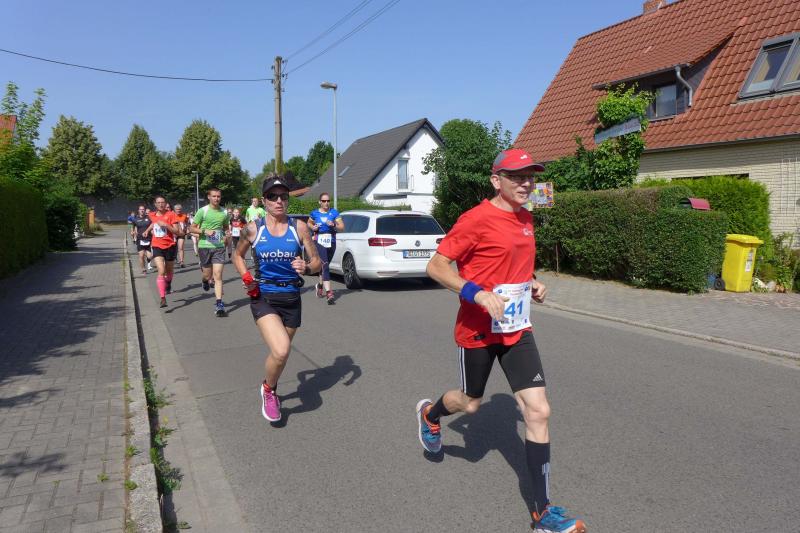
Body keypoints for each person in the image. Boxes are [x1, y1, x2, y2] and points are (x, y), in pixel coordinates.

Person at [415, 149, 586, 533]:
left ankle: (543, 513)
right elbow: (436, 266)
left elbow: (515, 267)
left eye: (530, 177)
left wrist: (532, 283)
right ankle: (431, 415)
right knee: (471, 403)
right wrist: (476, 292)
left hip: (516, 328)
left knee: (538, 411)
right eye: (517, 176)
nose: (526, 183)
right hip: (477, 329)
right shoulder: (475, 219)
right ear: (497, 180)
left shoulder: (526, 217)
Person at [232, 176, 320, 423]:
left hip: (291, 297)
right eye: (273, 196)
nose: (279, 201)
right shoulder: (253, 229)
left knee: (280, 355)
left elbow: (317, 262)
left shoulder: (299, 228)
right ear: (264, 201)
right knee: (281, 350)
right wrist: (247, 277)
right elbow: (237, 256)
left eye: (283, 196)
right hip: (264, 296)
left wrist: (307, 267)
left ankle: (270, 385)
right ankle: (269, 391)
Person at [190, 187, 231, 317]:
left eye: (218, 196)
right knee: (207, 275)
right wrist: (204, 231)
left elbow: (225, 227)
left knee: (218, 275)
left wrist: (227, 234)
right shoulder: (203, 211)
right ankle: (204, 280)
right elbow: (191, 228)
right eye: (214, 196)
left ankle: (219, 304)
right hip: (205, 246)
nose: (216, 198)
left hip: (219, 247)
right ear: (209, 197)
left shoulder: (224, 212)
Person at [144, 196, 182, 308]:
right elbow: (153, 223)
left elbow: (177, 232)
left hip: (170, 246)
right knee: (161, 270)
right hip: (157, 246)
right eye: (158, 202)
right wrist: (147, 231)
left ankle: (168, 283)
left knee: (169, 270)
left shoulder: (171, 214)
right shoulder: (152, 215)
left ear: (165, 203)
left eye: (162, 202)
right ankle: (162, 298)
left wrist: (166, 225)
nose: (161, 204)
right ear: (155, 204)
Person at [307, 193, 343, 304]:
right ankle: (329, 293)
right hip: (319, 241)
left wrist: (333, 225)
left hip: (331, 241)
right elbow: (309, 223)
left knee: (324, 266)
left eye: (328, 201)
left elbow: (342, 227)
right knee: (325, 264)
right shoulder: (315, 213)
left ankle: (320, 285)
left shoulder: (334, 213)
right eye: (324, 201)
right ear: (320, 202)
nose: (326, 203)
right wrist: (313, 227)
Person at [131, 205, 153, 274]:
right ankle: (143, 269)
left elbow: (152, 226)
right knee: (141, 255)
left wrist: (152, 232)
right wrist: (132, 232)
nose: (142, 210)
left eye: (143, 209)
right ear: (138, 210)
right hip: (140, 239)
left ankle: (148, 259)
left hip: (149, 239)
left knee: (150, 256)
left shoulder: (149, 218)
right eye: (140, 209)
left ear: (145, 210)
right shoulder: (135, 219)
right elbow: (133, 227)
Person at [173, 204, 189, 268]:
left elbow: (187, 223)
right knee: (173, 248)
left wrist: (187, 229)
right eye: (177, 209)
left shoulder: (184, 216)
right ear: (174, 210)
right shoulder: (172, 216)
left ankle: (182, 262)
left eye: (179, 209)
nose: (178, 210)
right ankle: (174, 258)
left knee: (181, 247)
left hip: (181, 233)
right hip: (173, 234)